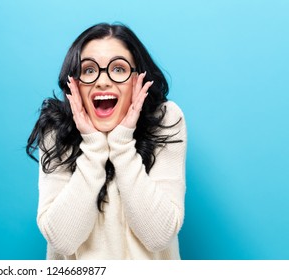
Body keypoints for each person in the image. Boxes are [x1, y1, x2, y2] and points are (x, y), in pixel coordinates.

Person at [26, 23, 187, 259]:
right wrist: (93, 145)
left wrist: (121, 143)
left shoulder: (165, 120)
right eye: (89, 70)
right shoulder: (55, 131)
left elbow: (158, 237)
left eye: (119, 69)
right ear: (75, 84)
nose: (103, 81)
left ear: (138, 80)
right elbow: (62, 241)